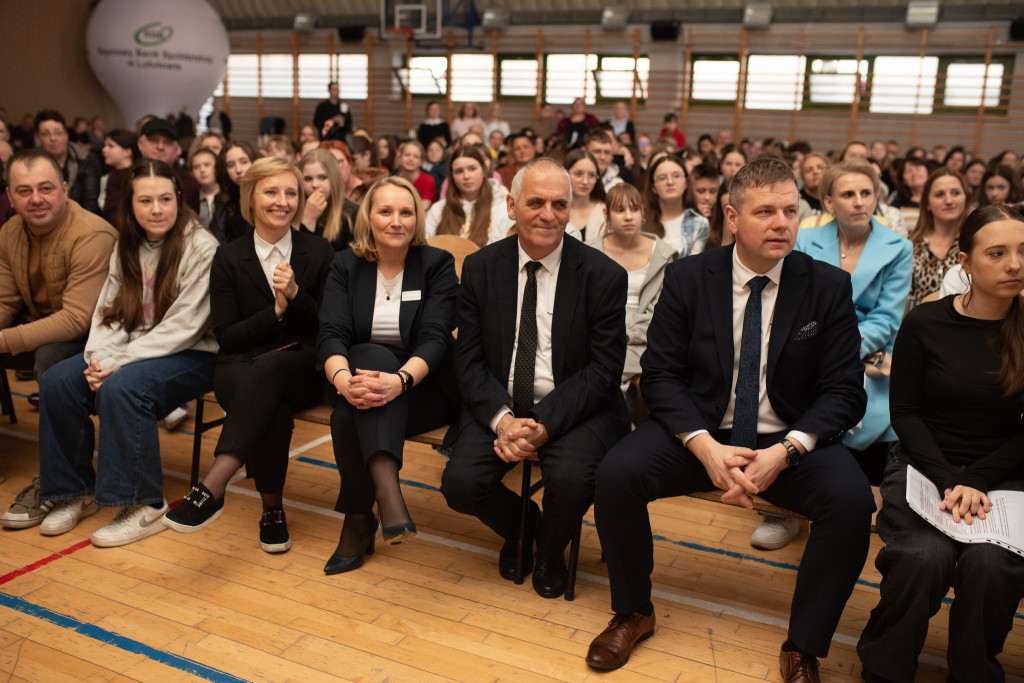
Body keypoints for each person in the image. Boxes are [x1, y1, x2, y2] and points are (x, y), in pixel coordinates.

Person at [586, 157, 872, 681]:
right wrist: (703, 446)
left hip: (788, 437)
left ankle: (804, 647)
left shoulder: (826, 285)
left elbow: (845, 391)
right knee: (617, 474)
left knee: (853, 503)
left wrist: (786, 451)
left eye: (790, 211)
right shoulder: (689, 277)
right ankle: (632, 612)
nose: (782, 223)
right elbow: (660, 375)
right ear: (733, 217)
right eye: (766, 212)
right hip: (703, 432)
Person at [441, 158, 630, 599]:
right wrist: (503, 421)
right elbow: (467, 360)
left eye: (559, 204)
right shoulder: (481, 268)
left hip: (578, 405)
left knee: (572, 479)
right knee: (460, 484)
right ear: (511, 206)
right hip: (500, 401)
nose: (549, 214)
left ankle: (549, 552)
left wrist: (544, 424)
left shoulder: (604, 276)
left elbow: (603, 371)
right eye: (536, 203)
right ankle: (526, 526)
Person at [857, 205, 1024, 683]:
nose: (1015, 264)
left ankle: (973, 671)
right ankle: (886, 667)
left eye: (1022, 251)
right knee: (922, 558)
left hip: (1004, 474)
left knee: (991, 565)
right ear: (965, 262)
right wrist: (951, 479)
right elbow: (906, 414)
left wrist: (977, 480)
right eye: (997, 253)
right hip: (925, 466)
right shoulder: (926, 322)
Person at [36, 159, 219, 546]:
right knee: (57, 382)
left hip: (193, 352)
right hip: (136, 350)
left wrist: (118, 363)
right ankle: (73, 491)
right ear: (131, 206)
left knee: (124, 388)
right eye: (146, 201)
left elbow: (183, 326)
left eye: (165, 199)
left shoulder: (202, 247)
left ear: (179, 199)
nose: (157, 209)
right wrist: (98, 359)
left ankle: (143, 505)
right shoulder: (127, 244)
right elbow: (111, 311)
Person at [163, 157, 334, 550]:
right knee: (271, 406)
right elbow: (228, 336)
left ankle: (213, 485)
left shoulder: (319, 250)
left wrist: (295, 296)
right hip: (239, 365)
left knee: (273, 370)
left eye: (291, 193)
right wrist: (275, 313)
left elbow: (327, 326)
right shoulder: (228, 256)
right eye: (271, 192)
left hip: (302, 365)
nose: (282, 201)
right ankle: (272, 511)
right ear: (250, 199)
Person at [318, 176, 460, 573]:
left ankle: (358, 520)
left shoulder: (436, 264)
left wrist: (399, 382)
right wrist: (343, 381)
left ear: (417, 218)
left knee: (347, 415)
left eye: (406, 212)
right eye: (385, 211)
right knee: (366, 360)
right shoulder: (346, 264)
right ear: (368, 217)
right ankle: (387, 497)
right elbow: (331, 334)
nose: (396, 221)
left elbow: (435, 338)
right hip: (354, 380)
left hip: (422, 386)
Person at [0, 150, 118, 529]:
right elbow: (5, 300)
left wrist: (4, 340)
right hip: (43, 322)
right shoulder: (10, 231)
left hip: (96, 335)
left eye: (46, 188)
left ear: (65, 189)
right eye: (24, 191)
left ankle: (71, 486)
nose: (36, 199)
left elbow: (76, 319)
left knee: (50, 359)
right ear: (10, 196)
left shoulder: (92, 234)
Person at [795, 158, 912, 485]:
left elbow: (886, 318)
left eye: (866, 193)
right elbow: (799, 307)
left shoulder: (899, 248)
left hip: (870, 350)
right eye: (848, 194)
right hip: (812, 342)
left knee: (868, 413)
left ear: (876, 197)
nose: (859, 202)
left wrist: (841, 349)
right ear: (829, 202)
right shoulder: (804, 240)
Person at [586, 183, 675, 412]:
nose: (628, 216)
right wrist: (613, 334)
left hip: (646, 340)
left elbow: (663, 312)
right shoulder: (588, 252)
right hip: (600, 338)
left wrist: (626, 334)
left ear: (643, 212)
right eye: (620, 210)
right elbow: (586, 307)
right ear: (606, 214)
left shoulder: (663, 254)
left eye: (634, 209)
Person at [104, 118, 201, 225]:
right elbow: (112, 216)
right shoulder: (120, 177)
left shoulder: (189, 183)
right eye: (154, 140)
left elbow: (189, 222)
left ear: (177, 149)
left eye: (167, 142)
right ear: (140, 144)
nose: (160, 147)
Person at [425, 145, 512, 247]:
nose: (466, 176)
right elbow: (426, 246)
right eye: (459, 171)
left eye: (472, 169)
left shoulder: (502, 208)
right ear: (451, 176)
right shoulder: (438, 209)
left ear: (484, 171)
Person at [908, 168, 969, 308]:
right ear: (927, 204)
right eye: (939, 194)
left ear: (966, 198)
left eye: (956, 193)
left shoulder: (976, 245)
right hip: (917, 318)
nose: (949, 200)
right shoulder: (911, 246)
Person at [35, 110, 101, 215]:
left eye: (58, 133)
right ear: (38, 138)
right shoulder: (31, 165)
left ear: (66, 136)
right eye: (46, 134)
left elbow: (91, 204)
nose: (53, 138)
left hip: (81, 219)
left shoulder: (85, 161)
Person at [643, 155, 709, 258]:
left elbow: (693, 264)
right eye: (662, 178)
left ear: (686, 183)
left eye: (676, 176)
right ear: (653, 187)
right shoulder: (641, 222)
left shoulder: (699, 223)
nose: (670, 182)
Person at [298, 149, 354, 251]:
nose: (315, 184)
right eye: (308, 179)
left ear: (334, 178)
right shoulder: (294, 209)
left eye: (322, 177)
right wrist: (308, 220)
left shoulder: (351, 214)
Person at [210, 140, 258, 244]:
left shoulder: (267, 195)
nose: (238, 170)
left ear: (255, 162)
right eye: (230, 165)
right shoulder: (222, 199)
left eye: (244, 162)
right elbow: (217, 237)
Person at [564, 149, 606, 241]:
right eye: (579, 174)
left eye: (591, 175)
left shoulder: (604, 212)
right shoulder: (555, 210)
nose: (585, 181)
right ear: (565, 174)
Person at [98, 129, 138, 210]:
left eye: (111, 146)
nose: (104, 150)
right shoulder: (109, 176)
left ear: (127, 152)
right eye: (105, 145)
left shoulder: (139, 175)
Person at [394, 140, 436, 206]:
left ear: (421, 161)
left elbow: (423, 208)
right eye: (407, 155)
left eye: (416, 157)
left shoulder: (428, 180)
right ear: (400, 157)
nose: (411, 159)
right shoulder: (397, 180)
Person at [189, 147, 220, 231]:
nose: (202, 170)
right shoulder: (192, 199)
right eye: (196, 167)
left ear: (217, 166)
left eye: (207, 165)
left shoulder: (228, 195)